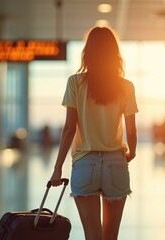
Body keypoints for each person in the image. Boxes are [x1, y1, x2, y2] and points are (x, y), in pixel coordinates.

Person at [49, 27, 138, 240]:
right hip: (116, 163)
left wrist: (57, 168)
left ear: (88, 51)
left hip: (84, 164)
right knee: (111, 236)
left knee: (92, 235)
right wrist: (131, 152)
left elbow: (70, 128)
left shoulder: (75, 82)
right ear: (114, 53)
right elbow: (132, 129)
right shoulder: (125, 86)